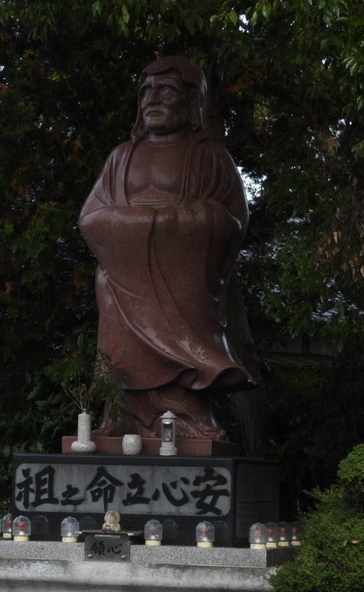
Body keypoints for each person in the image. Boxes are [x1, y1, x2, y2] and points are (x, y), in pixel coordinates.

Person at [79, 56, 252, 440]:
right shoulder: (120, 158)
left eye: (167, 90)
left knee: (184, 353)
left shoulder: (210, 158)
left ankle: (186, 412)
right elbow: (91, 218)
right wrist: (148, 226)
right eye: (146, 92)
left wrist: (186, 222)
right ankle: (123, 413)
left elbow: (232, 222)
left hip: (183, 282)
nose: (152, 99)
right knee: (122, 354)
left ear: (193, 104)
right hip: (122, 281)